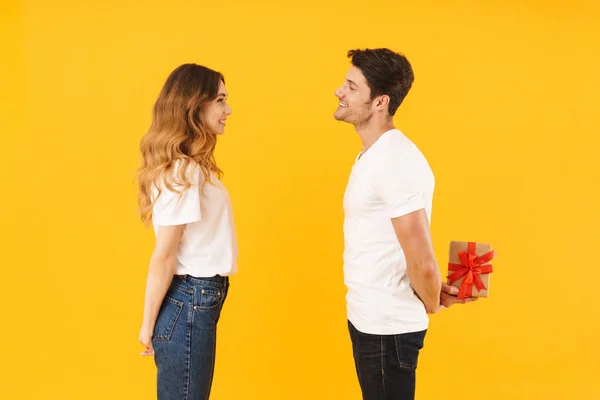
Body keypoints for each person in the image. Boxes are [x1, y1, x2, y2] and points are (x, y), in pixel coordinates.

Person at [333, 48, 476, 400]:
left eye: (351, 86)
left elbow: (423, 261)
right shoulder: (374, 155)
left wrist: (431, 302)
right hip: (370, 318)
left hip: (387, 326)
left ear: (380, 101)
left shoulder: (394, 160)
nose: (339, 90)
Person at [136, 63, 237, 400]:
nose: (228, 110)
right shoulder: (182, 170)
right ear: (196, 105)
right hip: (191, 299)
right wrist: (147, 325)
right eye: (220, 100)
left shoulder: (191, 166)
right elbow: (164, 254)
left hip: (197, 299)